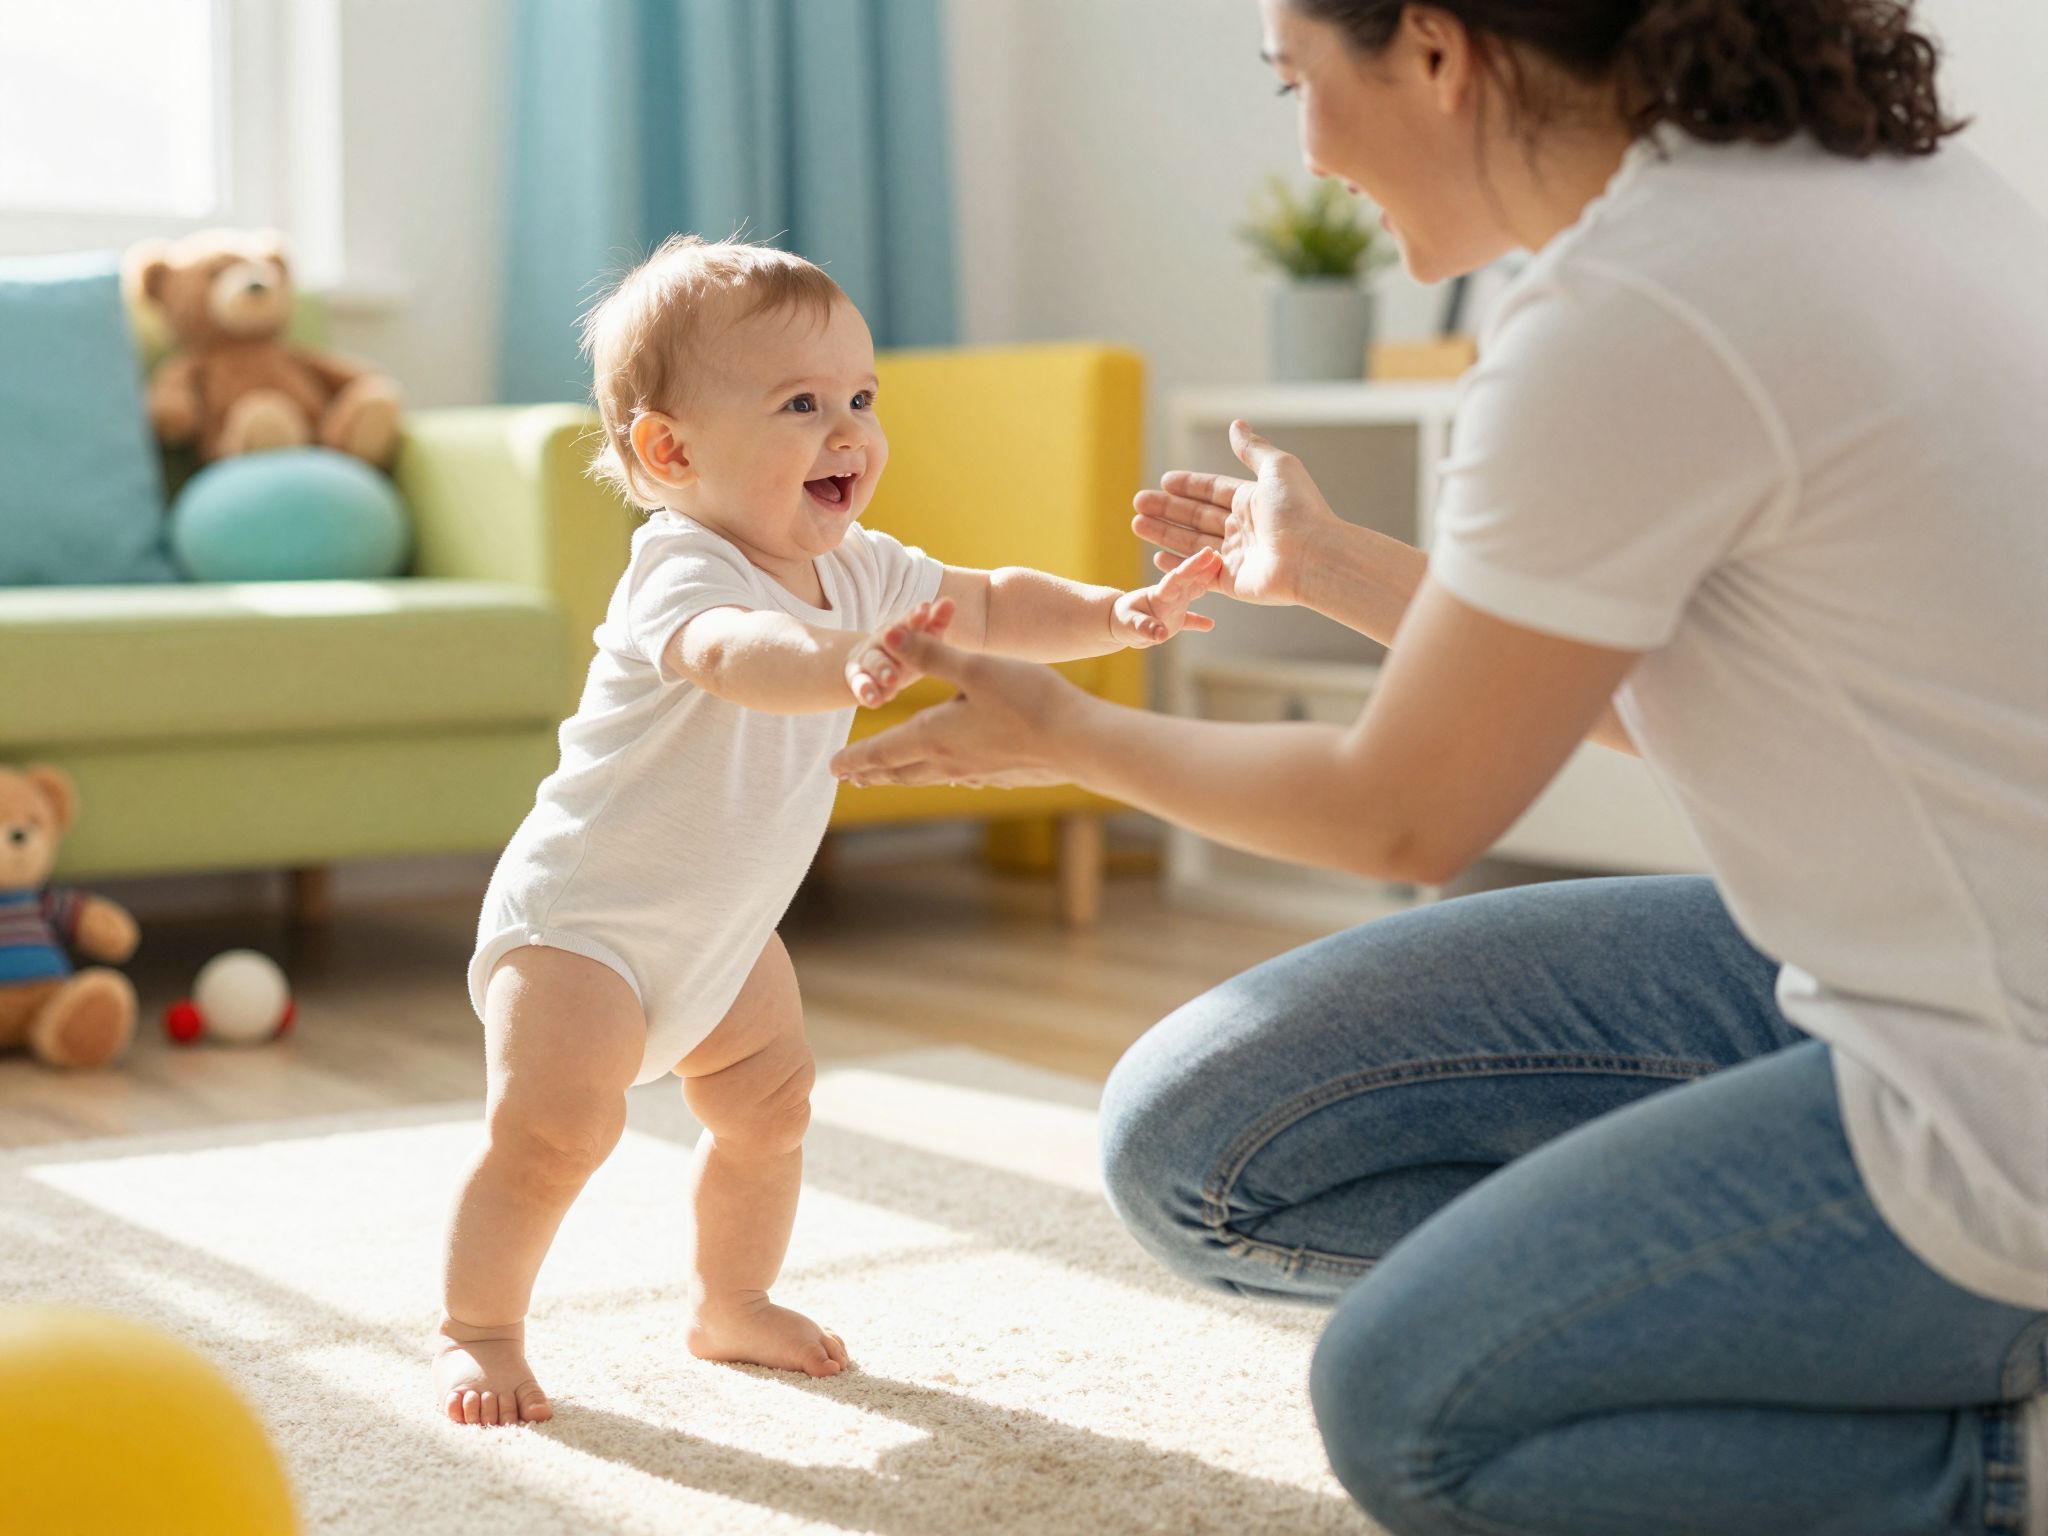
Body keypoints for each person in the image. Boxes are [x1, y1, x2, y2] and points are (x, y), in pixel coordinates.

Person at [829, 1, 2048, 1530]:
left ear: (1432, 45)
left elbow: (1406, 807)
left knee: (1417, 1412)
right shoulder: (1852, 184)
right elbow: (1649, 692)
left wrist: (1064, 731)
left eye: (1297, 80)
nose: (1309, 145)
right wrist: (1334, 568)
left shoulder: (1643, 306)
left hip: (1997, 1086)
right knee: (1204, 1135)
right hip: (1883, 962)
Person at [432, 236, 1221, 1426]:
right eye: (800, 405)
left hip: (727, 930)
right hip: (584, 921)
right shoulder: (679, 567)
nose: (846, 430)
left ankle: (731, 1301)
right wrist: (842, 662)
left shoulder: (860, 568)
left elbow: (996, 599)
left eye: (859, 398)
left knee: (770, 1109)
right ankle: (477, 1328)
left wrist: (1117, 612)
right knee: (554, 1135)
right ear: (669, 448)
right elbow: (734, 659)